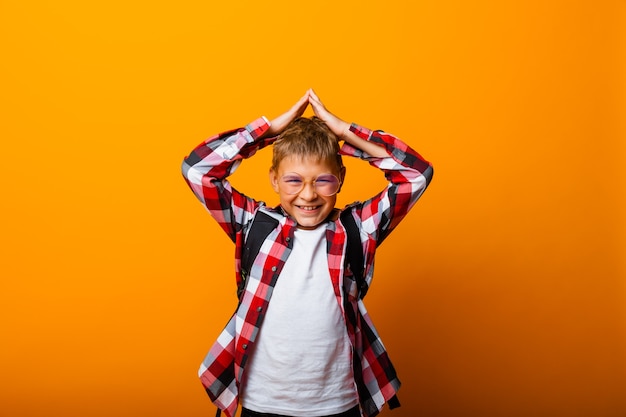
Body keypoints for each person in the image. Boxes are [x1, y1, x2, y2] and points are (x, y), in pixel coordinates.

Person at [181, 89, 433, 417]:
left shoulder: (358, 228)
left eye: (322, 180)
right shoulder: (253, 223)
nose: (308, 194)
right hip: (262, 401)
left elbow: (415, 175)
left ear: (341, 179)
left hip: (339, 402)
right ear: (274, 179)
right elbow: (198, 170)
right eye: (293, 181)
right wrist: (268, 132)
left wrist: (344, 132)